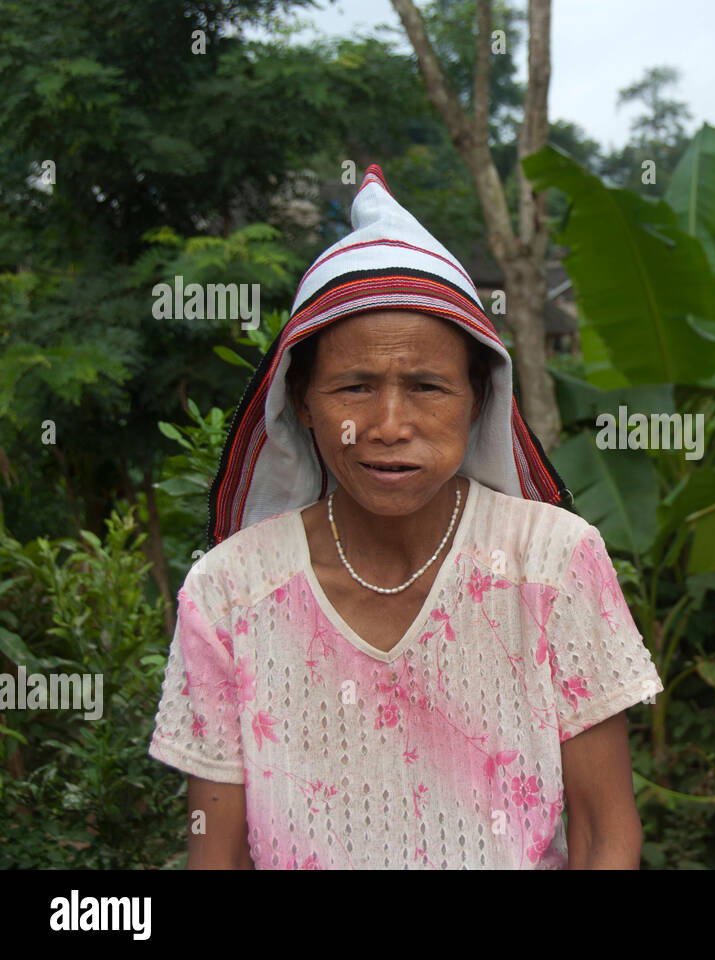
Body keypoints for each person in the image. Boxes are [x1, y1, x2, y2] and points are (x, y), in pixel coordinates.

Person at [148, 164, 662, 869]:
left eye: (427, 386)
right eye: (353, 386)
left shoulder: (552, 565)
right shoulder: (230, 593)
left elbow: (607, 837)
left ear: (480, 397)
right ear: (301, 400)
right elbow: (218, 854)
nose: (389, 425)